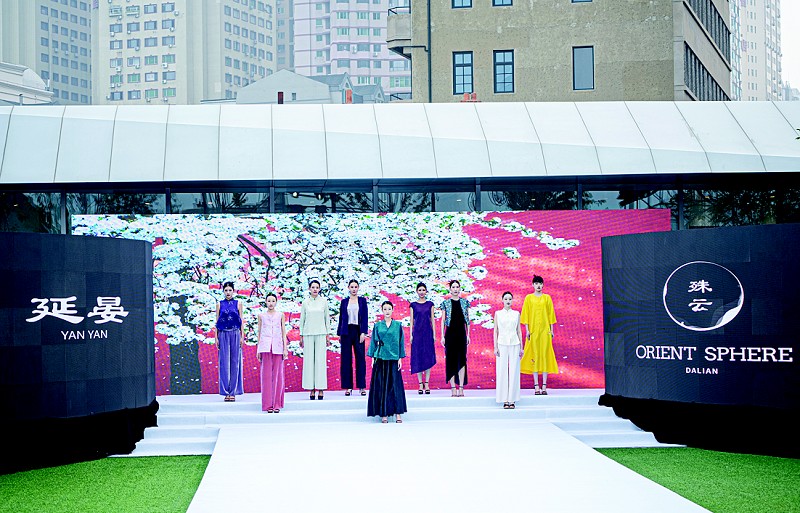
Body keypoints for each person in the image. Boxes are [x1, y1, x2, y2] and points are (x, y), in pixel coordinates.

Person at [367, 301, 407, 423]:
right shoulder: (378, 325)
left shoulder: (397, 325)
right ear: (382, 311)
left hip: (393, 357)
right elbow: (373, 341)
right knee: (382, 386)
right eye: (385, 309)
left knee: (395, 386)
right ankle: (383, 413)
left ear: (392, 310)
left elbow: (401, 342)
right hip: (380, 357)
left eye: (389, 309)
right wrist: (373, 358)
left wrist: (400, 358)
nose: (387, 311)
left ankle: (398, 413)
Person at [520, 275, 558, 395]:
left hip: (545, 332)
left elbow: (551, 315)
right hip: (533, 332)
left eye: (540, 283)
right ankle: (536, 385)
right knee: (534, 355)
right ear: (532, 285)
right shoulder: (529, 298)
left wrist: (551, 330)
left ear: (543, 285)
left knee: (545, 355)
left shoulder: (547, 298)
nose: (538, 285)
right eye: (536, 283)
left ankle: (544, 386)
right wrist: (527, 330)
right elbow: (525, 314)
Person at [336, 279, 369, 396]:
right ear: (348, 288)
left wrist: (363, 332)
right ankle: (348, 386)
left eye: (355, 287)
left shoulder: (362, 301)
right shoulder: (344, 302)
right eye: (352, 287)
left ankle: (361, 386)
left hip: (358, 331)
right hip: (346, 331)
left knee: (360, 358)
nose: (354, 289)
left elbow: (365, 317)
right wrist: (340, 333)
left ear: (358, 288)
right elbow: (341, 318)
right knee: (346, 359)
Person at [257, 293, 288, 413]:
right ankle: (268, 405)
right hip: (265, 347)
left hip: (277, 347)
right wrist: (258, 349)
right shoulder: (261, 316)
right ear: (265, 302)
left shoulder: (280, 315)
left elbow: (283, 332)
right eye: (269, 301)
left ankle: (277, 404)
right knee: (266, 376)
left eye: (273, 301)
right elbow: (259, 332)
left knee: (278, 376)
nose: (271, 303)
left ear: (276, 302)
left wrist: (285, 348)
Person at [299, 279, 330, 400]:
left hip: (321, 333)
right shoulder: (305, 302)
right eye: (313, 287)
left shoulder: (324, 302)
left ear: (319, 289)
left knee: (320, 361)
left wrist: (328, 334)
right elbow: (302, 319)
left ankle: (320, 389)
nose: (315, 289)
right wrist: (301, 335)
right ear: (309, 289)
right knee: (309, 362)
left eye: (317, 287)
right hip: (308, 333)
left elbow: (327, 318)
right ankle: (311, 389)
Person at [440, 280, 470, 397]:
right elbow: (443, 320)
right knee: (450, 360)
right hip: (450, 334)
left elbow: (467, 320)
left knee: (462, 360)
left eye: (457, 287)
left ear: (460, 288)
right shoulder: (446, 303)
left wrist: (468, 335)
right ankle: (453, 387)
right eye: (453, 287)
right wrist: (442, 336)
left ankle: (461, 387)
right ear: (450, 289)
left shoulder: (465, 302)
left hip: (461, 334)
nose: (455, 289)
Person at [215, 281, 244, 402]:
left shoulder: (238, 303)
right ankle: (225, 391)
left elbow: (241, 320)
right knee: (224, 362)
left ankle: (233, 391)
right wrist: (216, 337)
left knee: (235, 362)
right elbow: (217, 321)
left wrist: (242, 336)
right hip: (223, 334)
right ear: (223, 291)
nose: (228, 292)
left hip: (235, 333)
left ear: (233, 291)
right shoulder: (219, 304)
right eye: (226, 290)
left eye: (230, 290)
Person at [494, 292, 523, 409]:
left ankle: (512, 399)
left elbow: (519, 331)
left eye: (510, 299)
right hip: (501, 343)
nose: (508, 301)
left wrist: (521, 347)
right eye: (506, 299)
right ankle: (504, 399)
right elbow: (495, 331)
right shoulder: (498, 314)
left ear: (512, 300)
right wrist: (495, 347)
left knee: (514, 371)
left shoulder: (516, 314)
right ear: (502, 300)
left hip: (515, 343)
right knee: (502, 370)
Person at [409, 282, 436, 394]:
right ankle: (420, 384)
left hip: (427, 333)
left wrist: (434, 334)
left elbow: (432, 320)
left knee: (428, 357)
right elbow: (412, 321)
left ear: (426, 291)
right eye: (419, 290)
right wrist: (411, 334)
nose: (421, 292)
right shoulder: (413, 305)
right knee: (418, 357)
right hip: (417, 334)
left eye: (423, 290)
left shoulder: (430, 304)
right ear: (416, 291)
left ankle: (427, 383)